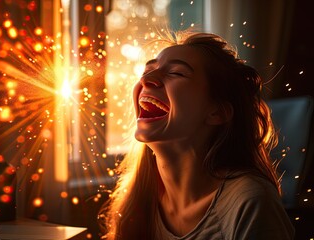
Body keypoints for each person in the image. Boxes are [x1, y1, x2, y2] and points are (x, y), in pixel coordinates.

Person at [99, 30, 295, 240]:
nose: (147, 79)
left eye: (176, 73)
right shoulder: (138, 202)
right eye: (147, 70)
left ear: (216, 112)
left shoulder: (251, 203)